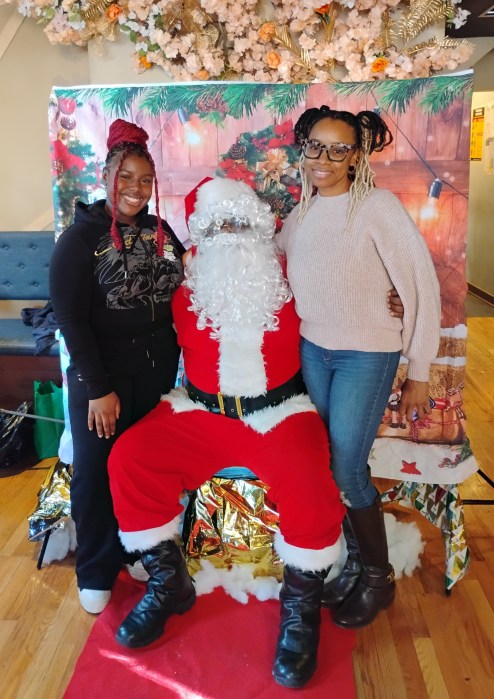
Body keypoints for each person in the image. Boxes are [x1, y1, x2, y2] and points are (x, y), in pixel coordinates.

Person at [107, 177, 346, 689]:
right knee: (130, 455)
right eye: (219, 225)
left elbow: (343, 301)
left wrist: (388, 301)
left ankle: (300, 608)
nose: (232, 233)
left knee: (308, 477)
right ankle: (171, 584)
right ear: (201, 236)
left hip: (278, 412)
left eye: (241, 222)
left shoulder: (291, 275)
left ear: (260, 226)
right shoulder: (184, 284)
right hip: (200, 412)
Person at [276, 105, 441, 629]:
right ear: (304, 151)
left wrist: (419, 371)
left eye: (338, 148)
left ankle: (378, 578)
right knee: (329, 464)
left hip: (365, 354)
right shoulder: (299, 215)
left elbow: (419, 284)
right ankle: (352, 568)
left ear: (357, 156)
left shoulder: (377, 208)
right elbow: (270, 260)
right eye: (315, 147)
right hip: (313, 351)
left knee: (347, 468)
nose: (323, 159)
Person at [49, 119, 186, 615]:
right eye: (125, 177)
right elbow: (69, 319)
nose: (135, 189)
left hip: (153, 372)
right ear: (107, 177)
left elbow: (194, 281)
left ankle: (137, 549)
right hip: (100, 376)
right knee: (95, 470)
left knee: (140, 467)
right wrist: (98, 389)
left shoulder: (160, 232)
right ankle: (95, 566)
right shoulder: (79, 239)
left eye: (144, 180)